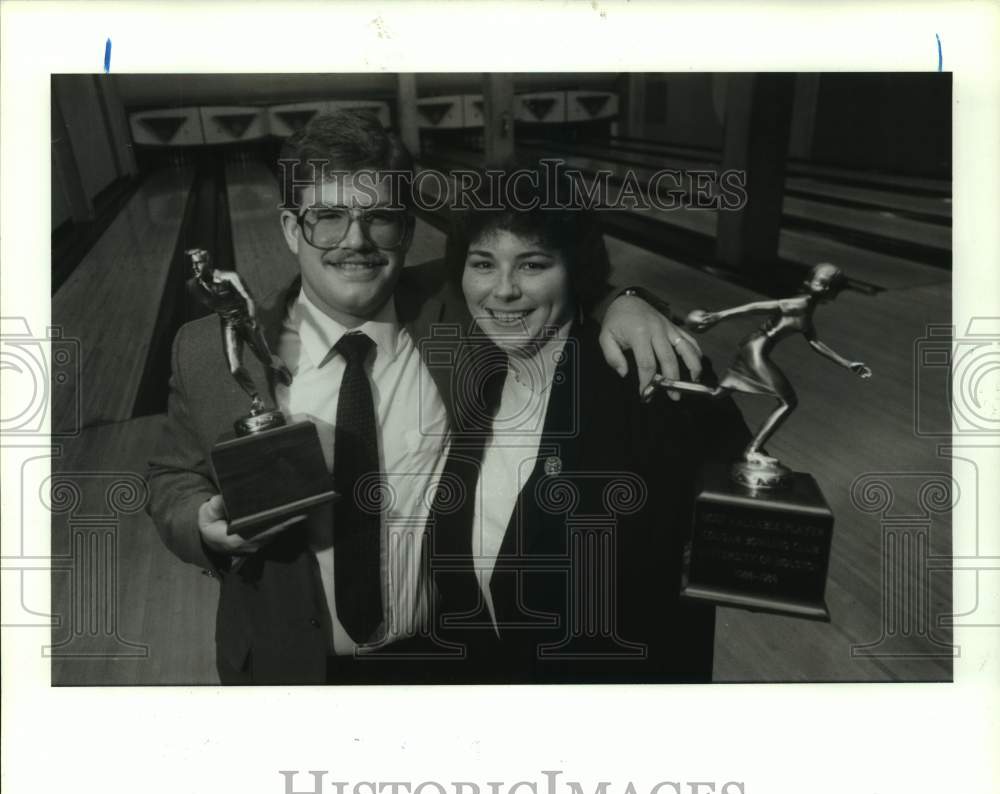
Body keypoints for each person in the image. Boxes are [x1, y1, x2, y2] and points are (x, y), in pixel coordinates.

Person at [146, 111, 703, 685]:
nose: (355, 242)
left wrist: (627, 300)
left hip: (446, 660)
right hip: (288, 668)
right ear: (291, 229)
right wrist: (200, 525)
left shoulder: (458, 308)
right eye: (328, 218)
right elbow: (171, 477)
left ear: (408, 230)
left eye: (380, 218)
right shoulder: (211, 351)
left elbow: (544, 271)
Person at [428, 166, 750, 683]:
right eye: (483, 263)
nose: (503, 290)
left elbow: (744, 534)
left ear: (573, 270)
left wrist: (626, 300)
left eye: (532, 264)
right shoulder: (479, 387)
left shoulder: (648, 381)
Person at [644, 262, 872, 489]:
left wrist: (848, 363)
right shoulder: (795, 303)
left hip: (753, 347)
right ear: (809, 281)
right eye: (820, 282)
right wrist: (718, 315)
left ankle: (661, 382)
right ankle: (752, 450)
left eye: (828, 285)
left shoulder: (808, 311)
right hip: (755, 350)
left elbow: (815, 343)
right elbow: (754, 307)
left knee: (716, 394)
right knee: (788, 401)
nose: (822, 288)